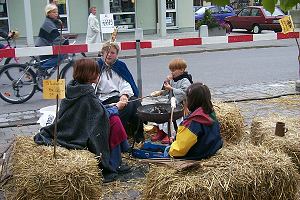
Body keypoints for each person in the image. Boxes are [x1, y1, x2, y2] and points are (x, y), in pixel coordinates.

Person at [34, 58, 131, 183]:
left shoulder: (73, 87)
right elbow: (101, 116)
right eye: (96, 72)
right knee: (114, 121)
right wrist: (116, 107)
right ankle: (113, 163)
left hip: (73, 126)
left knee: (114, 118)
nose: (98, 74)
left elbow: (96, 110)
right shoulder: (87, 94)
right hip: (78, 131)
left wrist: (110, 107)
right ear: (89, 74)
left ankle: (117, 158)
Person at [96, 41, 144, 143]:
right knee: (128, 106)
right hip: (103, 99)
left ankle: (138, 134)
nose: (109, 55)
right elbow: (92, 86)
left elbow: (125, 83)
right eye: (106, 52)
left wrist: (125, 95)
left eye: (112, 53)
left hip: (118, 95)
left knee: (136, 102)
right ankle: (120, 136)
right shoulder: (97, 67)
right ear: (102, 53)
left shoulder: (120, 65)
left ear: (116, 54)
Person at [165, 82, 223, 159]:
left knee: (166, 150)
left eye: (187, 99)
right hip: (211, 149)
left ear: (192, 101)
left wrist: (171, 149)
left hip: (197, 154)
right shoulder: (209, 112)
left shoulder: (194, 121)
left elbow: (179, 149)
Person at [151, 58, 193, 144]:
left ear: (182, 70)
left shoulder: (185, 80)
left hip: (181, 105)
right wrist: (166, 83)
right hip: (171, 103)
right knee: (161, 111)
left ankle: (170, 134)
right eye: (171, 70)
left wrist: (171, 88)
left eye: (174, 70)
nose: (172, 73)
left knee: (173, 116)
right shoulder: (173, 79)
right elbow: (167, 91)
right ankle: (161, 132)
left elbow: (184, 93)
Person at [35, 4, 69, 73]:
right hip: (43, 47)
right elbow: (56, 37)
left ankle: (42, 71)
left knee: (58, 55)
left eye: (57, 12)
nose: (56, 14)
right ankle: (42, 69)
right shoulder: (48, 23)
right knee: (60, 56)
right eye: (53, 12)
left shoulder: (50, 22)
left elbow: (55, 35)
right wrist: (65, 42)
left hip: (46, 46)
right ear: (48, 13)